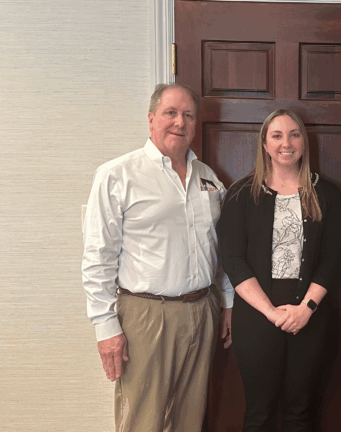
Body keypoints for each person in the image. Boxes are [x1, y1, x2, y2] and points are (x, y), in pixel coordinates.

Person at [82, 83, 233, 432]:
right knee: (143, 422)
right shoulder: (117, 175)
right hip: (146, 315)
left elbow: (222, 247)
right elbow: (98, 256)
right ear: (151, 119)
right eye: (170, 113)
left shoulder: (208, 179)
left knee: (190, 419)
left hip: (202, 311)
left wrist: (227, 302)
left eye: (188, 115)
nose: (180, 122)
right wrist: (105, 327)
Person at [216, 109, 341, 431]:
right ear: (264, 144)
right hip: (256, 315)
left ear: (304, 141)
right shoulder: (242, 194)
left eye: (294, 134)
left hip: (310, 316)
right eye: (277, 135)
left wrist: (306, 308)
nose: (286, 143)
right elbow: (233, 259)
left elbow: (334, 257)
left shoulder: (327, 194)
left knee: (301, 412)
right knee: (258, 413)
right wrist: (271, 312)